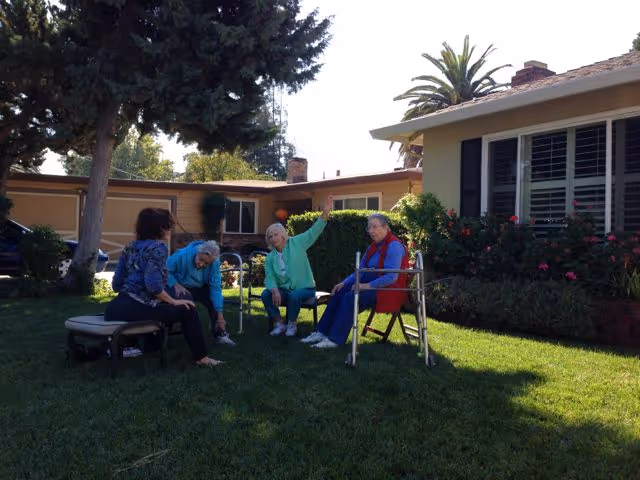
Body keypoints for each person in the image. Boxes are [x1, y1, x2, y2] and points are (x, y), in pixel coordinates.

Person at [105, 207, 221, 367]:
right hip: (137, 307)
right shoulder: (158, 248)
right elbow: (153, 286)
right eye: (167, 226)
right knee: (188, 309)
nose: (170, 230)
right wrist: (173, 301)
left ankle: (145, 346)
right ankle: (202, 358)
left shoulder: (129, 247)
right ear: (158, 228)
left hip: (115, 308)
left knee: (160, 306)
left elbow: (116, 284)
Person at [300, 213, 409, 349]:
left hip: (385, 289)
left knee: (350, 299)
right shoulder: (374, 247)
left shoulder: (394, 246)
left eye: (374, 227)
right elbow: (360, 271)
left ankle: (335, 339)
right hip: (370, 284)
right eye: (369, 228)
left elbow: (392, 277)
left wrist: (366, 286)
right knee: (338, 293)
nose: (371, 231)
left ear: (385, 227)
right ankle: (321, 332)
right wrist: (344, 283)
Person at [262, 195, 333, 337]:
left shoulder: (296, 243)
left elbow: (313, 232)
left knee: (294, 295)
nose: (273, 238)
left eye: (276, 234)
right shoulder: (270, 257)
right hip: (284, 289)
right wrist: (274, 290)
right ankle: (278, 323)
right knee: (266, 294)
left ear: (283, 235)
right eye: (270, 236)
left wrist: (325, 213)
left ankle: (292, 324)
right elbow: (269, 277)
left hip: (305, 288)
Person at [166, 240, 235, 346]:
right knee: (183, 301)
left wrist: (220, 314)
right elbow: (165, 271)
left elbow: (215, 287)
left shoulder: (214, 262)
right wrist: (175, 284)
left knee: (214, 301)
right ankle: (164, 334)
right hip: (181, 286)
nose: (201, 264)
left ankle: (219, 333)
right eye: (201, 260)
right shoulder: (181, 255)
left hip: (200, 287)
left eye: (206, 263)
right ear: (198, 252)